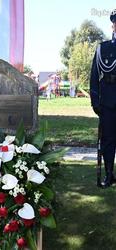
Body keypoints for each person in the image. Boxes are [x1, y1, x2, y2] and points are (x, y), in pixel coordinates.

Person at [90, 9, 116, 188]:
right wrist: (95, 101)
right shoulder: (103, 48)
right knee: (108, 140)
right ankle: (109, 175)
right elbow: (94, 76)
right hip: (108, 103)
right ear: (113, 25)